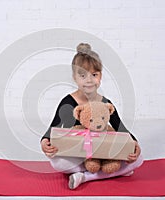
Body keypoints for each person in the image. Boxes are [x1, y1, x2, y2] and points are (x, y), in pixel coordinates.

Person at [40, 43, 143, 189]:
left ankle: (85, 176)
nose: (89, 80)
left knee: (139, 159)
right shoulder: (68, 102)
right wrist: (45, 142)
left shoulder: (106, 103)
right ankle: (109, 172)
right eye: (83, 75)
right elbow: (53, 128)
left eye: (94, 75)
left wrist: (135, 144)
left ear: (100, 76)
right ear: (74, 77)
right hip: (79, 154)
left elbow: (121, 129)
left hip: (103, 153)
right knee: (56, 161)